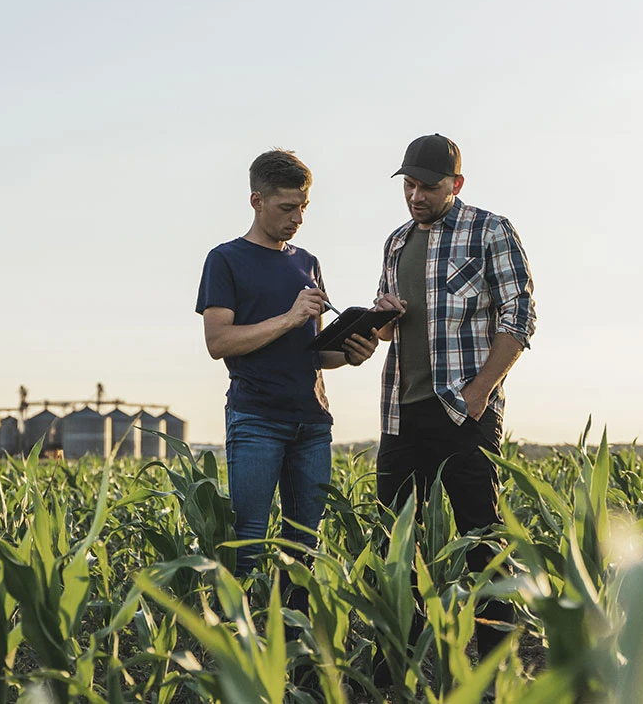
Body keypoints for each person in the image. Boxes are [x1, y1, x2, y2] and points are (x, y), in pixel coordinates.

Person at [372, 133, 536, 674]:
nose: (416, 196)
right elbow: (392, 333)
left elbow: (520, 316)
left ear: (456, 185)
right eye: (409, 186)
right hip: (402, 412)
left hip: (464, 411)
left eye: (428, 186)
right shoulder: (396, 242)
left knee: (480, 536)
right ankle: (405, 656)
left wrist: (480, 391)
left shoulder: (490, 229)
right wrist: (383, 316)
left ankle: (495, 664)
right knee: (396, 538)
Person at [196, 148, 379, 607]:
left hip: (313, 423)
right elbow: (218, 343)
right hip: (256, 418)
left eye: (303, 207)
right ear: (256, 200)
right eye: (286, 208)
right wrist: (290, 316)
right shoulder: (225, 260)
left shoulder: (308, 262)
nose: (297, 218)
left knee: (304, 546)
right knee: (249, 543)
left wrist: (352, 352)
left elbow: (314, 354)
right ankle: (240, 646)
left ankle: (293, 652)